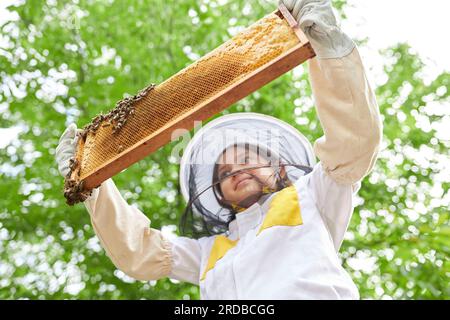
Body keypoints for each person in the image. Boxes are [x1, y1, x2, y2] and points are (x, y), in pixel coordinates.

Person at [55, 0, 382, 299]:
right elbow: (140, 254)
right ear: (220, 193)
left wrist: (330, 48)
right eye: (224, 172)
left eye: (246, 159)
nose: (236, 171)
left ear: (280, 169)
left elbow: (352, 146)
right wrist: (92, 188)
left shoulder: (313, 195)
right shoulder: (208, 251)